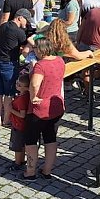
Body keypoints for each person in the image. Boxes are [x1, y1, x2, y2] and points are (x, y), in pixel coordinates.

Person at [21, 38, 66, 181]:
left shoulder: (40, 65)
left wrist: (34, 97)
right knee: (50, 138)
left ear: (40, 50)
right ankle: (47, 170)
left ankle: (30, 171)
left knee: (31, 140)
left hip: (39, 109)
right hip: (56, 106)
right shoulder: (60, 60)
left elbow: (34, 84)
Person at [0, 9, 32, 127]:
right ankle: (6, 120)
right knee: (9, 93)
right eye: (26, 20)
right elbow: (26, 44)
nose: (27, 23)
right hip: (9, 63)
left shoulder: (3, 25)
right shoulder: (19, 32)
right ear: (20, 18)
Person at [6, 74, 31, 171]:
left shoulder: (21, 99)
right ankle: (22, 160)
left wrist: (10, 109)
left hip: (18, 125)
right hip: (22, 125)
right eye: (17, 83)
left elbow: (22, 114)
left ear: (26, 87)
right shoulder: (25, 96)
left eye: (20, 85)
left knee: (17, 146)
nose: (17, 86)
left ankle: (17, 163)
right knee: (22, 144)